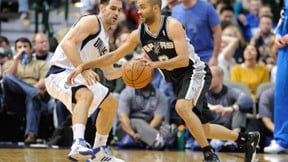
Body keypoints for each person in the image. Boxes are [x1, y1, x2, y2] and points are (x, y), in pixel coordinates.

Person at [67, 0, 260, 161]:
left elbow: (184, 59)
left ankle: (208, 153)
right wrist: (84, 66)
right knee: (201, 128)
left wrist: (152, 65)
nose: (139, 11)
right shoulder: (139, 34)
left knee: (182, 108)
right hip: (176, 79)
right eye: (138, 7)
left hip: (194, 71)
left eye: (142, 7)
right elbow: (114, 56)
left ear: (156, 8)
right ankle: (245, 139)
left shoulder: (172, 26)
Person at [44, 0, 125, 162]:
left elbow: (109, 73)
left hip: (79, 75)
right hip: (60, 73)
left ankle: (99, 152)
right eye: (113, 8)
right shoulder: (91, 21)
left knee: (111, 103)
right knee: (85, 94)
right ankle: (78, 143)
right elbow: (68, 43)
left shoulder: (105, 40)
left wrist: (130, 69)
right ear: (102, 8)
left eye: (119, 10)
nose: (116, 13)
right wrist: (84, 68)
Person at [2, 37, 49, 145]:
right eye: (19, 47)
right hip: (14, 99)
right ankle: (34, 92)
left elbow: (45, 80)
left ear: (31, 49)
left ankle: (31, 134)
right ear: (16, 50)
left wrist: (30, 91)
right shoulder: (9, 63)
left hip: (32, 99)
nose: (23, 49)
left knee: (31, 97)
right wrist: (16, 60)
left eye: (25, 46)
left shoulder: (41, 64)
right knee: (7, 78)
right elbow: (7, 80)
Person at [116, 83, 177, 150]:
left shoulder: (160, 95)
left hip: (149, 125)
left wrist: (142, 134)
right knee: (137, 122)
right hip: (128, 128)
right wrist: (133, 135)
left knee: (167, 128)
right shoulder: (127, 92)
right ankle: (156, 140)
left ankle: (154, 140)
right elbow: (123, 118)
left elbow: (158, 118)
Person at [207, 66, 253, 151]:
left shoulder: (231, 91)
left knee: (239, 109)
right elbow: (194, 102)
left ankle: (235, 139)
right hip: (209, 126)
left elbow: (247, 100)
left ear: (221, 78)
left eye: (211, 77)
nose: (207, 79)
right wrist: (212, 107)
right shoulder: (203, 91)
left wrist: (230, 109)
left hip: (228, 125)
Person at [264, 0, 288, 153]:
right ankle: (282, 140)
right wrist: (278, 34)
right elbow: (283, 18)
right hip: (285, 49)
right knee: (282, 93)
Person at [171, 0, 222, 65]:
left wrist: (215, 57)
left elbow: (217, 32)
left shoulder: (206, 7)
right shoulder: (175, 11)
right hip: (186, 59)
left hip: (206, 56)